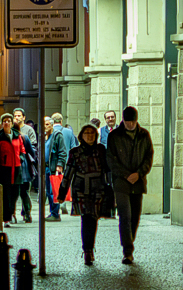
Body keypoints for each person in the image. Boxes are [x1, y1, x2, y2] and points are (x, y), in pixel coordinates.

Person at [58, 123, 112, 266]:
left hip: (97, 189)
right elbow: (68, 173)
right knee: (86, 219)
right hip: (81, 189)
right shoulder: (75, 152)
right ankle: (87, 249)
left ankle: (89, 248)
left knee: (93, 219)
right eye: (86, 133)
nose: (89, 136)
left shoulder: (101, 150)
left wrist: (110, 188)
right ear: (81, 135)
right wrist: (62, 193)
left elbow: (107, 170)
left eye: (92, 133)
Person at [106, 106, 154, 264]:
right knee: (125, 216)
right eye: (128, 122)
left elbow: (149, 155)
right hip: (121, 182)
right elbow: (111, 160)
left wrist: (139, 173)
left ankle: (130, 242)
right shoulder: (114, 136)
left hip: (138, 181)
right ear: (123, 121)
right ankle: (127, 250)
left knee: (135, 216)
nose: (131, 125)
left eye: (133, 122)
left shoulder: (144, 135)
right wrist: (127, 175)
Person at [0, 113, 26, 226]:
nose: (7, 123)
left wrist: (21, 158)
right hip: (4, 169)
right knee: (5, 194)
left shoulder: (17, 136)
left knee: (15, 193)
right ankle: (6, 218)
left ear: (12, 123)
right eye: (4, 121)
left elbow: (22, 149)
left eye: (9, 121)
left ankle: (11, 214)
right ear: (2, 124)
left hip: (16, 169)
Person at [12, 109, 36, 222]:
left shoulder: (28, 132)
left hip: (21, 166)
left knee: (21, 191)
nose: (17, 117)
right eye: (15, 116)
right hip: (17, 166)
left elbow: (33, 147)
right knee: (18, 192)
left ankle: (24, 213)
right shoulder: (13, 133)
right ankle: (18, 214)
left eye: (19, 115)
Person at [45, 114, 70, 221]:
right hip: (45, 168)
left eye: (46, 124)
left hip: (54, 167)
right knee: (48, 192)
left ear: (51, 125)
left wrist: (60, 165)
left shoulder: (57, 135)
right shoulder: (43, 136)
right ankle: (53, 212)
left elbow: (62, 151)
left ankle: (55, 213)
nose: (45, 126)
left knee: (53, 191)